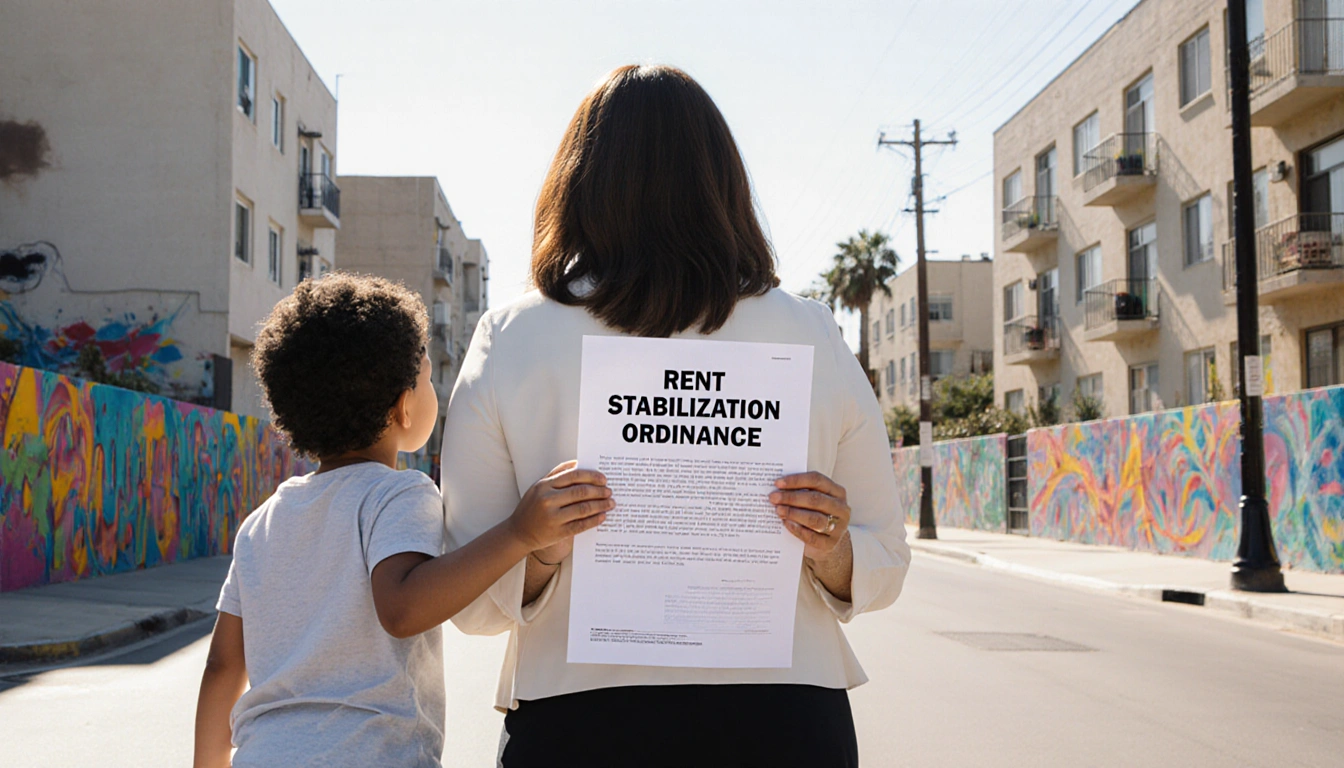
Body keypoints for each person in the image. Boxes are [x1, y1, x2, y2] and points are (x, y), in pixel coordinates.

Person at [442, 65, 912, 767]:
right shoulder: (811, 333)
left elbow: (472, 604)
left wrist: (540, 550)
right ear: (724, 184)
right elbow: (886, 563)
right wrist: (832, 548)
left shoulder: (513, 337)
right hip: (786, 721)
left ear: (578, 183)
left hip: (579, 720)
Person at [191, 273, 613, 768]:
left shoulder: (262, 522)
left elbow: (223, 666)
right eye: (427, 378)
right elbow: (403, 608)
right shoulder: (397, 494)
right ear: (404, 407)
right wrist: (520, 534)